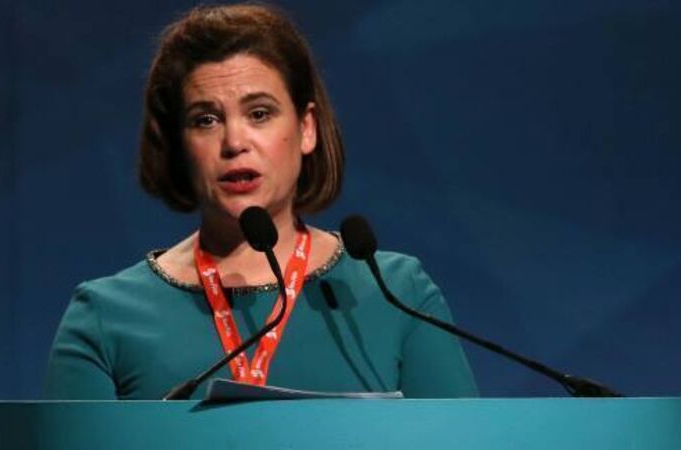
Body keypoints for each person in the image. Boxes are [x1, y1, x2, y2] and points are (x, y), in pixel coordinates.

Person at [44, 3, 477, 400]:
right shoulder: (105, 317)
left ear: (307, 129)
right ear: (177, 144)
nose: (234, 142)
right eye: (206, 120)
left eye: (259, 113)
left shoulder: (397, 294)